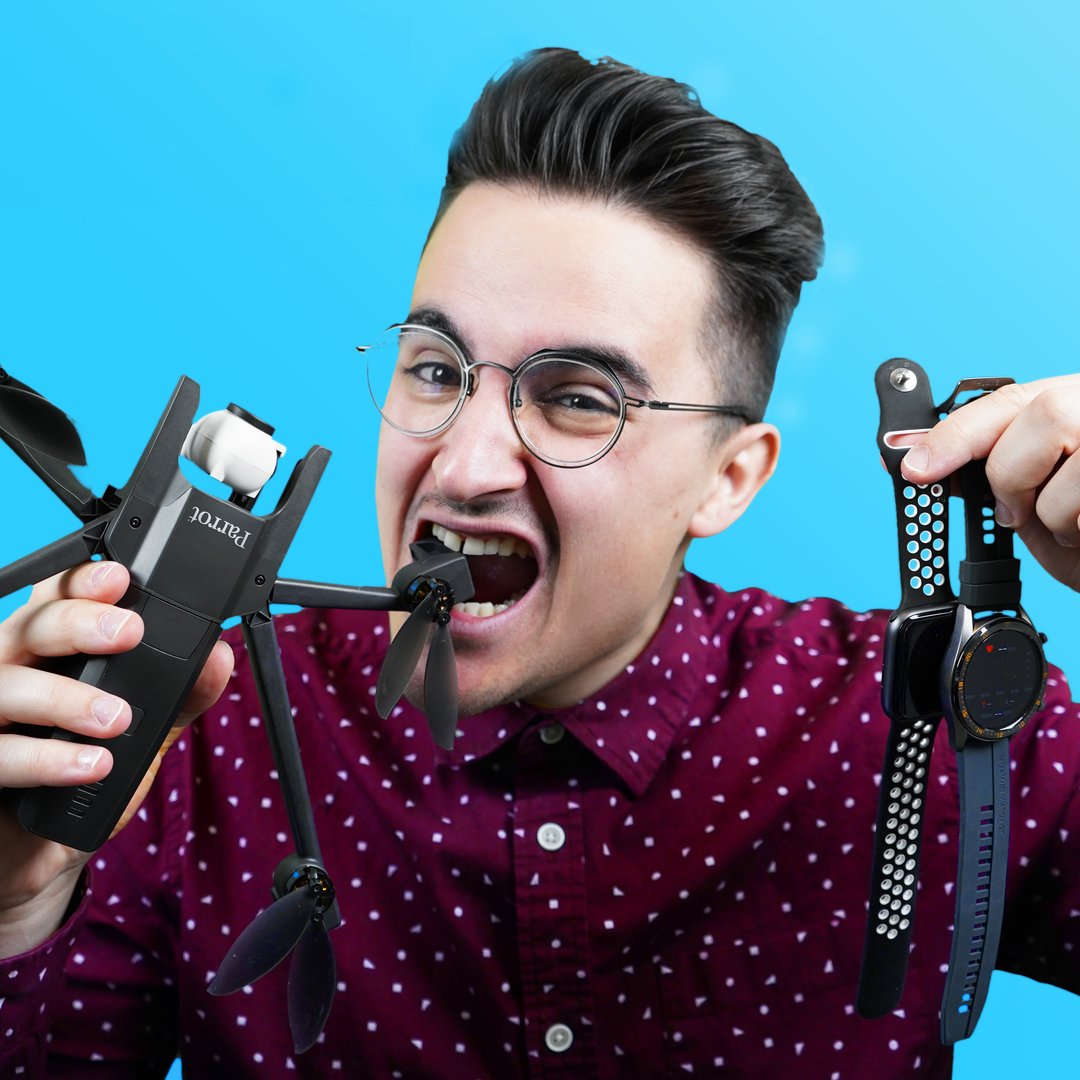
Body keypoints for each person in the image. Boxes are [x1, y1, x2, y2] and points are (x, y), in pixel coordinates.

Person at [0, 48, 1077, 1078]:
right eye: (435, 369)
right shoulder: (189, 730)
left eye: (574, 399)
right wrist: (11, 907)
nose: (463, 464)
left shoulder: (930, 718)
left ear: (730, 479)